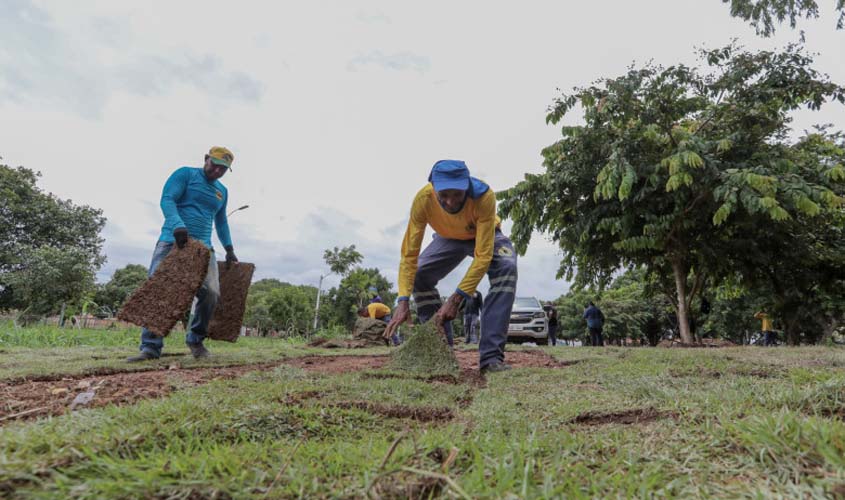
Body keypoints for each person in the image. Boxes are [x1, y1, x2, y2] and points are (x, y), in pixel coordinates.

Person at [384, 160, 518, 374]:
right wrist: (402, 300)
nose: (450, 201)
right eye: (444, 195)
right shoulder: (423, 199)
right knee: (419, 274)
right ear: (433, 188)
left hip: (484, 234)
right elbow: (409, 255)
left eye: (457, 194)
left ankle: (491, 358)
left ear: (467, 186)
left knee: (506, 268)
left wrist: (456, 299)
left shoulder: (484, 197)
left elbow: (482, 256)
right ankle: (440, 351)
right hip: (447, 237)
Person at [127, 147, 239, 362]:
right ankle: (150, 347)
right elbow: (167, 199)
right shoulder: (185, 174)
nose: (217, 171)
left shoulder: (222, 191)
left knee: (211, 293)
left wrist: (229, 248)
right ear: (206, 159)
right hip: (172, 241)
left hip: (204, 249)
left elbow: (221, 221)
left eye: (223, 169)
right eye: (215, 165)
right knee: (159, 291)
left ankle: (195, 340)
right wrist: (177, 224)